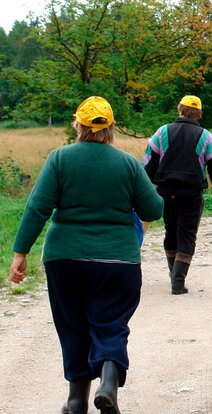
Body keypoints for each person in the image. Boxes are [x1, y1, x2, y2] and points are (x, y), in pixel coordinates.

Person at [8, 96, 163, 414]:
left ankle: (77, 399)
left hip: (65, 260)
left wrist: (20, 252)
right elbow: (154, 208)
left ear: (77, 124)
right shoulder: (128, 164)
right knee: (111, 323)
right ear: (111, 128)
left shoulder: (59, 159)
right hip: (118, 261)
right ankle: (107, 382)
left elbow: (38, 208)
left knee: (73, 326)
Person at [143, 95, 212, 295]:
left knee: (170, 232)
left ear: (179, 109)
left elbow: (147, 163)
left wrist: (145, 191)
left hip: (165, 192)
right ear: (198, 113)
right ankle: (178, 282)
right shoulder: (205, 136)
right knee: (187, 234)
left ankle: (174, 275)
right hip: (191, 194)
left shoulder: (162, 132)